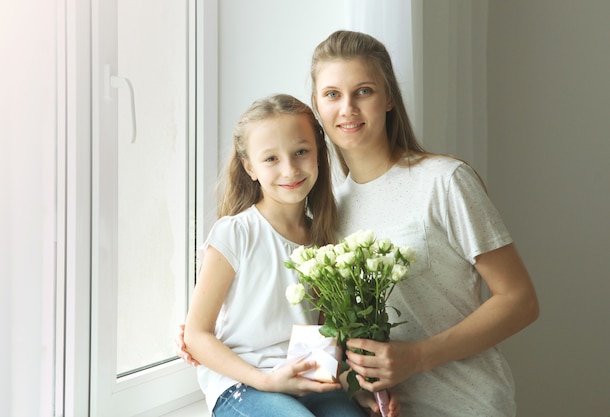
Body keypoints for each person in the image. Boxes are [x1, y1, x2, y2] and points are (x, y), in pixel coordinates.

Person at [179, 30, 539, 416]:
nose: (347, 108)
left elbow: (520, 301)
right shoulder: (327, 217)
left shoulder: (443, 181)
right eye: (332, 94)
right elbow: (332, 330)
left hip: (464, 405)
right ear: (317, 107)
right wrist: (211, 337)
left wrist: (417, 357)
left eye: (363, 91)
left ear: (388, 98)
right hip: (378, 409)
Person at [182, 93, 373, 417]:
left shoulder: (326, 243)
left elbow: (322, 334)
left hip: (307, 380)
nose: (290, 169)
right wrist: (267, 381)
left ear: (318, 156)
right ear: (249, 167)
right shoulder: (235, 233)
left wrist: (349, 385)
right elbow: (196, 335)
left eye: (301, 152)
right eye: (271, 159)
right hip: (242, 384)